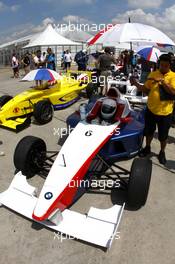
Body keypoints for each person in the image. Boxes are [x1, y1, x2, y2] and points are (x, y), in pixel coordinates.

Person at [130, 54, 175, 165]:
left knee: (163, 136)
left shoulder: (173, 76)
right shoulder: (153, 74)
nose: (163, 67)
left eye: (166, 65)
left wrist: (162, 81)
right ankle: (147, 147)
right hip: (151, 110)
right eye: (161, 65)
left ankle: (162, 152)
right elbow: (146, 89)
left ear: (170, 65)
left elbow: (173, 92)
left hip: (165, 113)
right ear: (159, 64)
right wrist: (135, 83)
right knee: (149, 132)